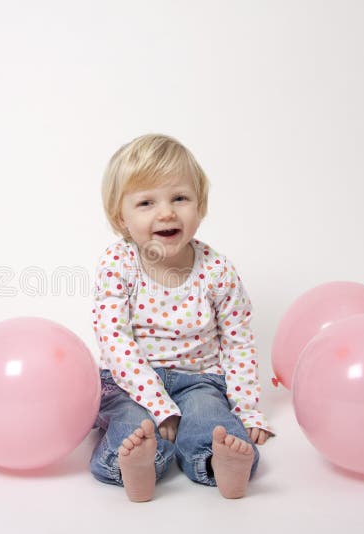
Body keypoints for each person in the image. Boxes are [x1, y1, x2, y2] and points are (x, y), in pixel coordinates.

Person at [89, 134, 274, 502]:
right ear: (119, 217)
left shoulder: (217, 270)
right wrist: (158, 405)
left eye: (180, 198)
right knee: (130, 424)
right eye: (146, 202)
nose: (167, 212)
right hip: (130, 382)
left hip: (199, 380)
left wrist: (248, 411)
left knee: (211, 420)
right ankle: (137, 464)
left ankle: (220, 463)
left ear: (200, 205)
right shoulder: (118, 264)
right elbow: (114, 338)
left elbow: (238, 341)